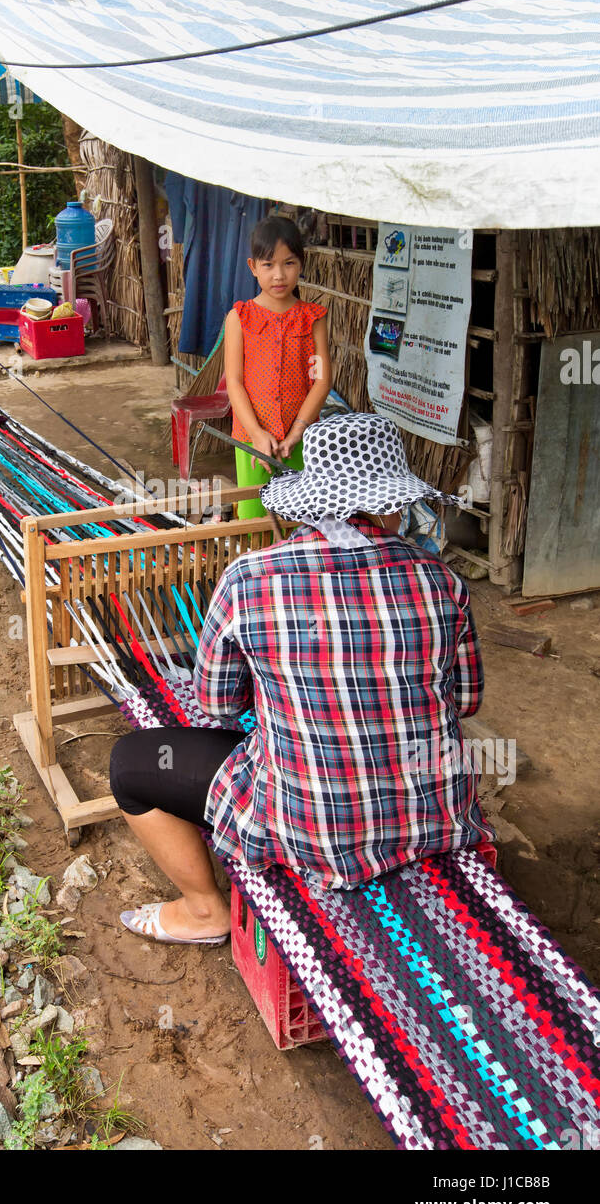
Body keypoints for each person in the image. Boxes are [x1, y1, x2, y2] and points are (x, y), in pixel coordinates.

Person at [109, 413, 493, 945]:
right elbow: (466, 702)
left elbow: (216, 706)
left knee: (129, 765)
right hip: (433, 812)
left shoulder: (250, 579)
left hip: (310, 827)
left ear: (310, 498)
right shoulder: (440, 580)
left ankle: (202, 912)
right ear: (394, 503)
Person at [224, 214, 332, 520]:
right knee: (254, 519)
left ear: (301, 264)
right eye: (268, 264)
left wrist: (298, 430)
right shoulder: (239, 318)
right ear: (253, 266)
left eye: (289, 263)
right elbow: (234, 381)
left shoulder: (313, 318)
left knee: (299, 519)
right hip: (251, 438)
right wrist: (258, 434)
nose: (279, 275)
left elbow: (321, 380)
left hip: (302, 439)